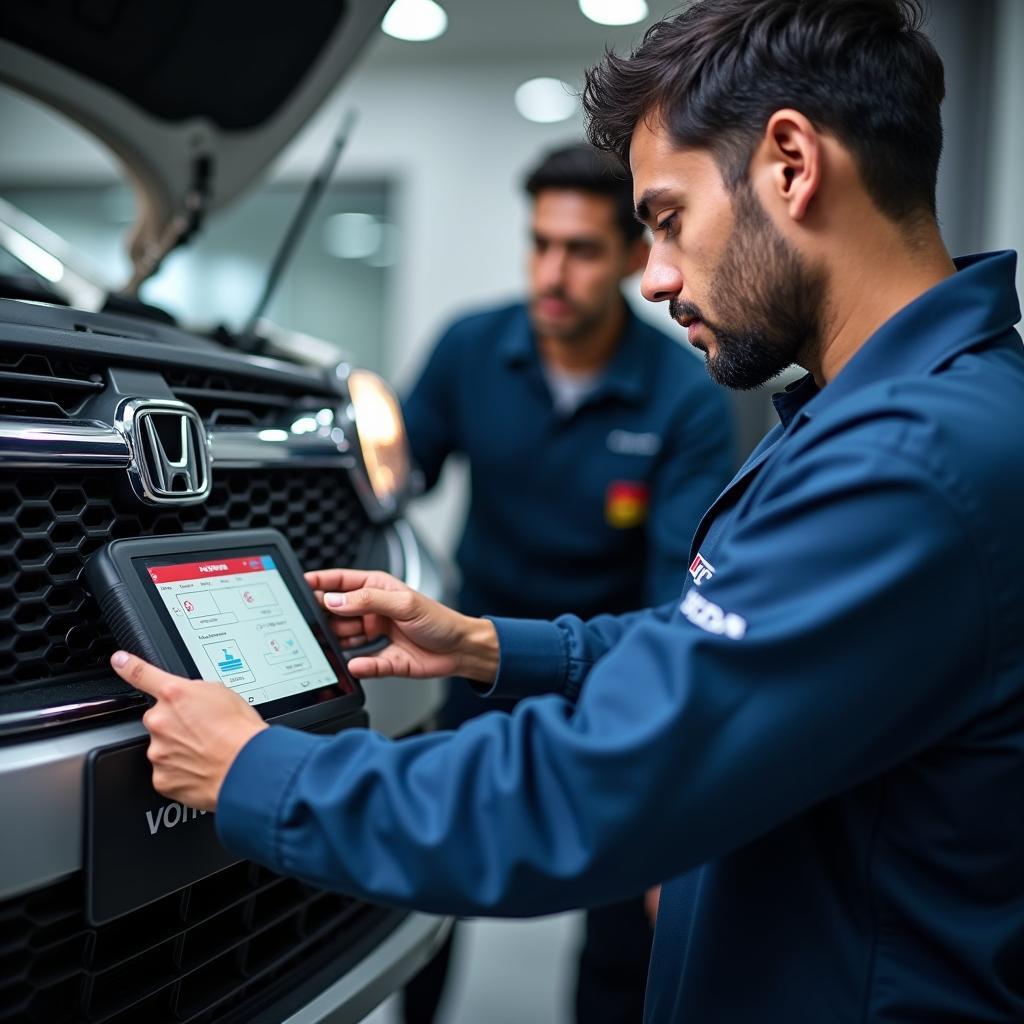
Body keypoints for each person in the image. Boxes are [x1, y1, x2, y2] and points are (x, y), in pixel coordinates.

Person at [109, 1, 1024, 1020]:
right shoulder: (878, 415)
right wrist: (490, 644)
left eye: (667, 218)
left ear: (792, 164)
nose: (658, 276)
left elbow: (599, 787)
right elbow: (720, 645)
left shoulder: (909, 463)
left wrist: (260, 771)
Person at [399, 141, 735, 1023]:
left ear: (633, 257)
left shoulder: (684, 393)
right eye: (540, 243)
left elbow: (679, 599)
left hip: (607, 675)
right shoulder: (471, 348)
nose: (553, 271)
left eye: (582, 250)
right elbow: (400, 474)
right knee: (428, 885)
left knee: (626, 922)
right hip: (470, 658)